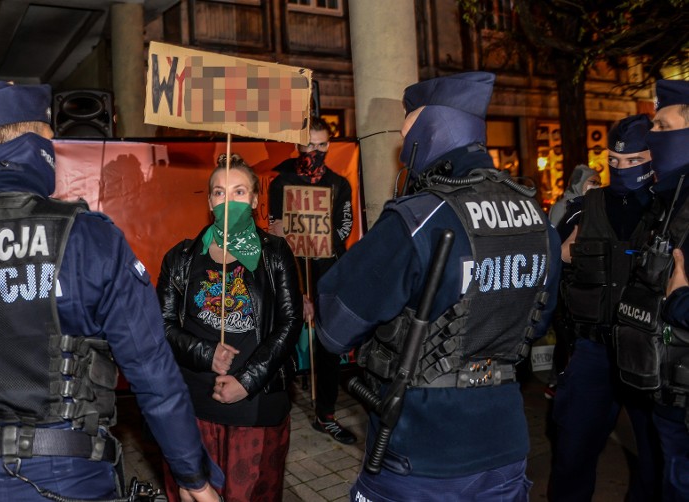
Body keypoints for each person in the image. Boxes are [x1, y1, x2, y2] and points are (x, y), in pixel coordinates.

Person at [0, 81, 222, 502]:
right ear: (37, 142)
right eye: (51, 137)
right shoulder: (91, 240)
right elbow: (154, 375)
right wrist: (192, 476)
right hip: (74, 478)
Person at [314, 71, 562, 501]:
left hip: (419, 455)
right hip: (503, 448)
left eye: (406, 126)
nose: (401, 144)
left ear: (429, 127)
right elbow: (535, 325)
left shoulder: (418, 219)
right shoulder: (536, 219)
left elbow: (334, 328)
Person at [157, 153, 303, 501]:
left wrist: (246, 381)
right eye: (220, 192)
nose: (228, 200)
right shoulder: (181, 257)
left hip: (255, 407)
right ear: (210, 202)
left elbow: (289, 323)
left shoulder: (275, 254)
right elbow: (160, 325)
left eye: (239, 191)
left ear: (254, 199)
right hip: (193, 407)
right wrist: (206, 354)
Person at [548, 114, 661, 502]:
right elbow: (545, 269)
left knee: (656, 463)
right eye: (614, 161)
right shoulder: (584, 208)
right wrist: (559, 256)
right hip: (593, 352)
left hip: (650, 357)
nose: (622, 168)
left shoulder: (668, 211)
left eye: (633, 161)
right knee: (572, 454)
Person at [614, 78, 689, 501]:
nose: (653, 136)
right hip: (671, 389)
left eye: (663, 126)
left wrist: (680, 300)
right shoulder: (671, 199)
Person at [267, 116, 357, 444]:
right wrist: (298, 289)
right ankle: (276, 405)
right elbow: (275, 228)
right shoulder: (281, 182)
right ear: (298, 146)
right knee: (283, 339)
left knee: (327, 346)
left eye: (321, 145)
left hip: (328, 272)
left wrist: (322, 244)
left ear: (328, 147)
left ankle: (326, 414)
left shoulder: (339, 184)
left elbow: (344, 227)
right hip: (291, 272)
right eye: (309, 145)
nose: (315, 151)